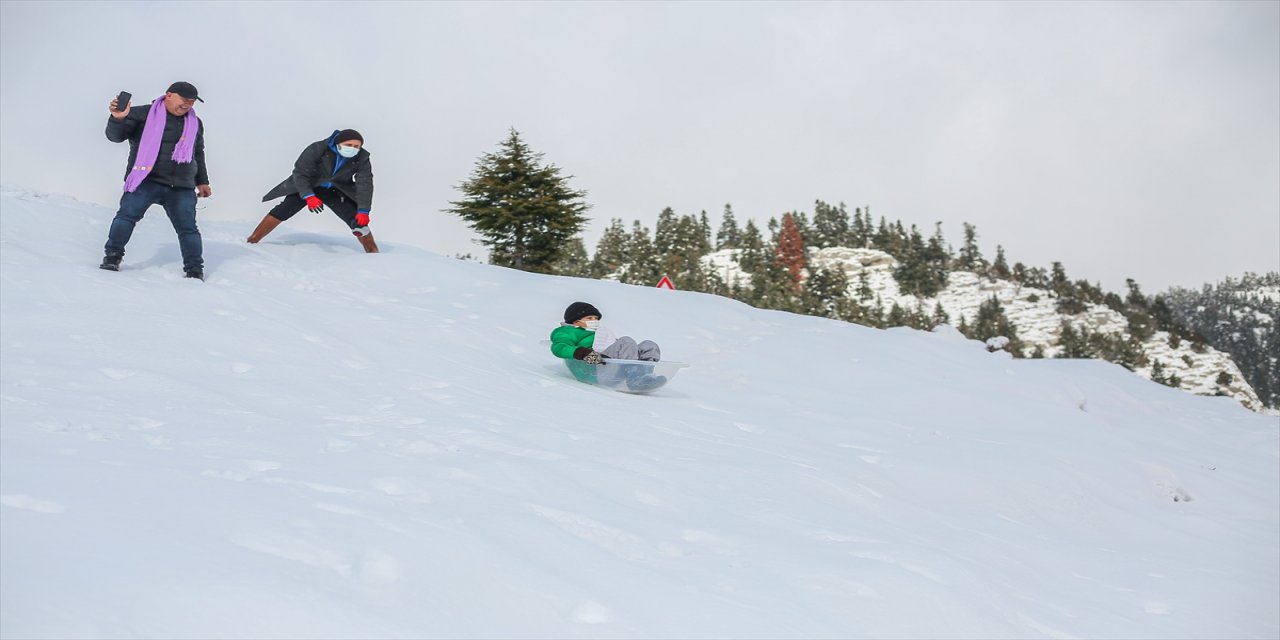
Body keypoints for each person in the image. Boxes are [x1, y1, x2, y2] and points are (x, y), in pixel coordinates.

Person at [100, 81, 212, 280]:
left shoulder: (195, 123)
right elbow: (115, 137)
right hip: (146, 180)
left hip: (181, 185)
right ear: (169, 95)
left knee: (188, 229)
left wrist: (202, 181)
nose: (188, 105)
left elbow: (197, 153)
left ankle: (194, 269)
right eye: (184, 100)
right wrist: (118, 118)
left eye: (192, 102)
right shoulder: (141, 114)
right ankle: (112, 256)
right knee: (126, 217)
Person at [248, 129, 378, 253]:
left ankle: (374, 254)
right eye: (348, 145)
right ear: (338, 143)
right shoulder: (318, 148)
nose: (352, 148)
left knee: (357, 221)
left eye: (356, 146)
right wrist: (309, 196)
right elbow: (300, 173)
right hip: (309, 186)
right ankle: (252, 241)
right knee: (284, 209)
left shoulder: (361, 157)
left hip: (335, 191)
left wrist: (363, 210)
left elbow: (365, 184)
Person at [550, 301, 665, 391]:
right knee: (626, 341)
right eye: (589, 318)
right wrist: (582, 353)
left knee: (649, 345)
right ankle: (635, 379)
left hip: (612, 366)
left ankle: (646, 376)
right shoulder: (567, 331)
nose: (594, 321)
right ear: (575, 321)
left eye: (596, 318)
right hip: (594, 370)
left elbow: (614, 347)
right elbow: (559, 347)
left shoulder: (599, 332)